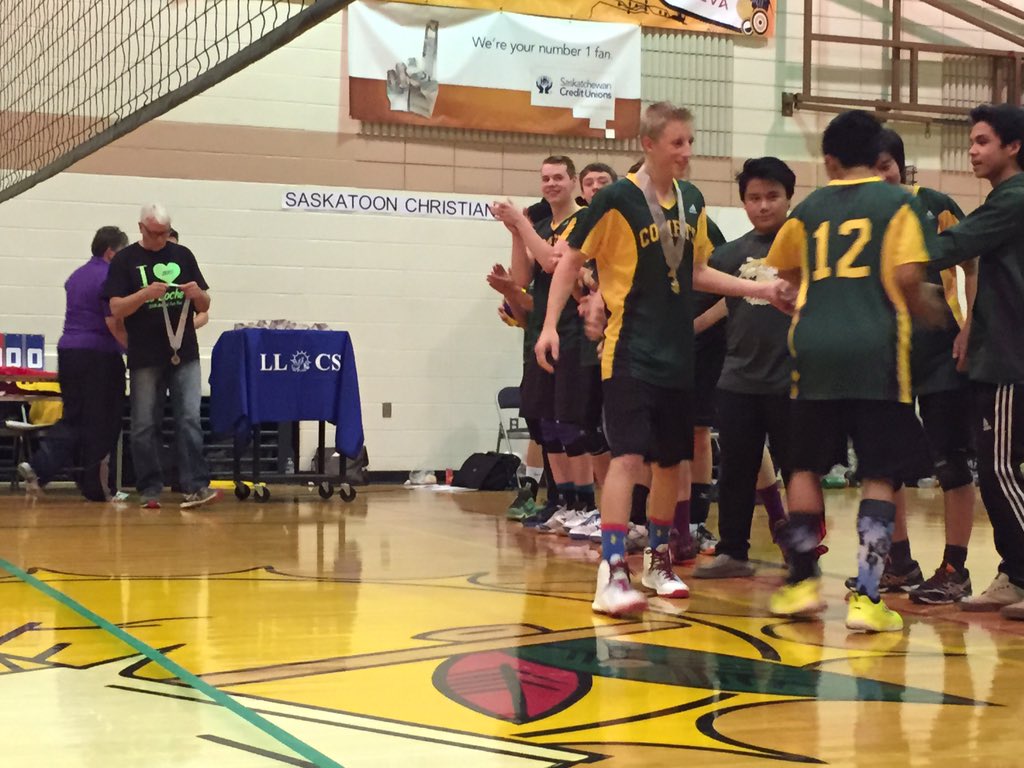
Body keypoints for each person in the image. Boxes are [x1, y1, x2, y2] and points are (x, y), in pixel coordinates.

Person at [536, 102, 792, 616]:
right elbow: (571, 260)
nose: (687, 152)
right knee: (628, 458)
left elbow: (696, 271)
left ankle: (658, 560)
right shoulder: (614, 199)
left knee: (671, 464)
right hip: (629, 350)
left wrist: (758, 290)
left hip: (679, 353)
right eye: (677, 143)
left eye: (690, 142)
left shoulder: (692, 201)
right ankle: (612, 571)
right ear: (648, 145)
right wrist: (549, 325)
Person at [765, 110, 944, 633]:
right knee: (880, 472)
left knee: (803, 466)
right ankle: (866, 596)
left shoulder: (809, 207)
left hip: (814, 349)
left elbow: (786, 274)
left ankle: (801, 582)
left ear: (831, 160)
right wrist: (931, 310)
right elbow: (909, 277)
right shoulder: (900, 203)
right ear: (878, 152)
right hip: (877, 350)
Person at [851, 129, 977, 604]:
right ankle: (897, 564)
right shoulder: (860, 216)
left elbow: (973, 261)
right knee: (884, 464)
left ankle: (955, 568)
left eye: (886, 166)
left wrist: (969, 327)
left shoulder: (935, 204)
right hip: (886, 351)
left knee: (952, 463)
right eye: (871, 167)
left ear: (900, 167)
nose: (880, 176)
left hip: (941, 349)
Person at [926, 103, 1024, 620]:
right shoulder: (1001, 200)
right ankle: (1014, 573)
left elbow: (950, 245)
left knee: (1001, 470)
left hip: (1011, 359)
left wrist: (889, 250)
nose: (972, 150)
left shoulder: (1013, 199)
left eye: (983, 141)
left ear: (1013, 147)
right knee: (995, 470)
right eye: (972, 141)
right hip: (993, 354)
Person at [693, 157, 798, 578]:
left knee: (798, 470)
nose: (763, 205)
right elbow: (705, 307)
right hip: (738, 380)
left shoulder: (807, 250)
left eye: (773, 196)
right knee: (736, 469)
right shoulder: (729, 254)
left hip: (792, 379)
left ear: (789, 198)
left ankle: (803, 552)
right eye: (754, 198)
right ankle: (733, 550)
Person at [103, 204, 219, 510]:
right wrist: (143, 295)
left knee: (190, 419)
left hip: (185, 352)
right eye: (153, 233)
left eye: (164, 233)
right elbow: (115, 309)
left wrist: (198, 294)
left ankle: (195, 485)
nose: (159, 239)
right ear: (141, 228)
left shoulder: (183, 255)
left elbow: (206, 305)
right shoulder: (126, 260)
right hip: (145, 354)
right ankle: (150, 489)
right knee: (143, 424)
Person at [18, 226, 129, 501]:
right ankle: (96, 486)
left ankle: (40, 467)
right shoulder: (110, 276)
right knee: (104, 421)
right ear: (111, 252)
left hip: (69, 352)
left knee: (74, 417)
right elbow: (111, 321)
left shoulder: (76, 276)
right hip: (99, 355)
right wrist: (132, 349)